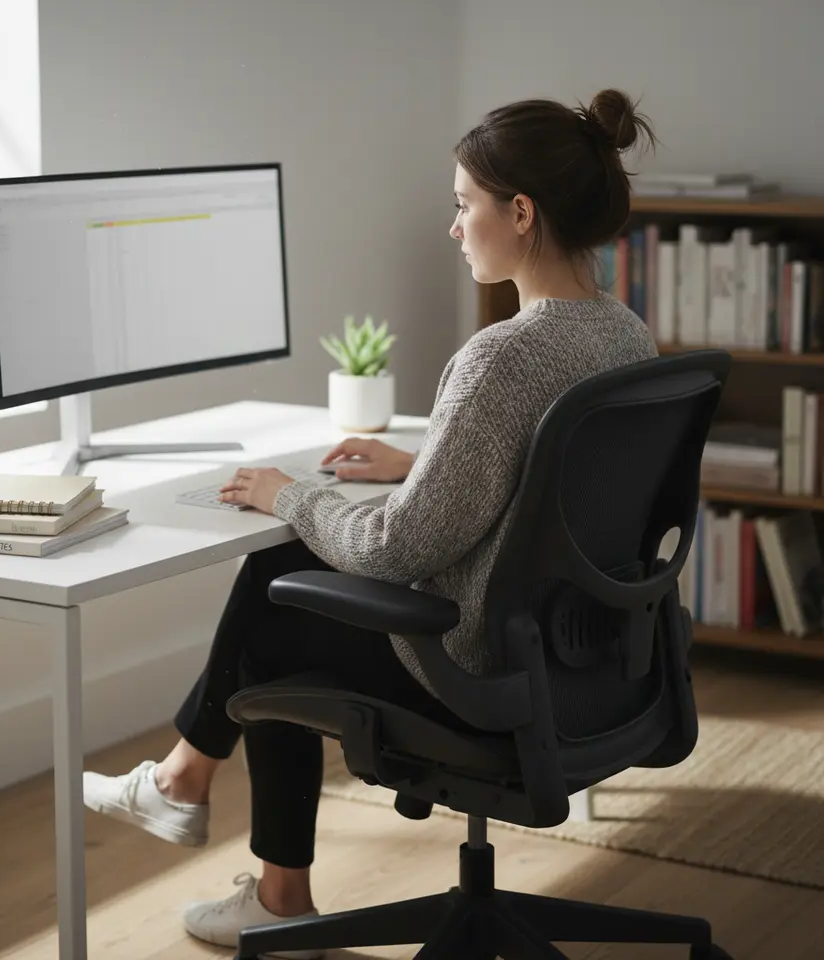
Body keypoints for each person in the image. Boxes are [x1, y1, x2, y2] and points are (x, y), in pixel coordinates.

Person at [82, 87, 659, 959]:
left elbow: (396, 551)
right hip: (588, 662)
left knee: (274, 589)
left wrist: (290, 494)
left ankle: (224, 834)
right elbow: (549, 484)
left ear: (522, 212)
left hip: (481, 675)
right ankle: (196, 802)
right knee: (284, 598)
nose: (454, 227)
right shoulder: (625, 337)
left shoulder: (500, 357)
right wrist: (424, 463)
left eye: (464, 204)